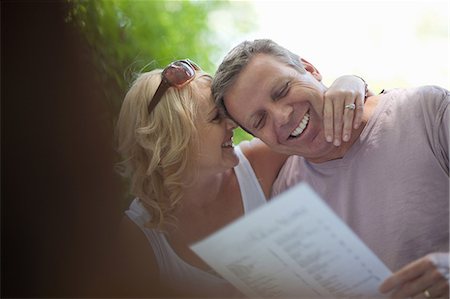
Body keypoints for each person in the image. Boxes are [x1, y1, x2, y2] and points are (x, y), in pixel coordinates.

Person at [211, 39, 449, 299]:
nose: (281, 116)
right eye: (260, 120)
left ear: (310, 69)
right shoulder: (287, 201)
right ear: (259, 138)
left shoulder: (425, 111)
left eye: (281, 90)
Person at [112, 59, 368, 297]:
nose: (232, 124)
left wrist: (351, 81)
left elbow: (325, 123)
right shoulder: (139, 236)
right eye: (216, 118)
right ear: (172, 141)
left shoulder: (259, 162)